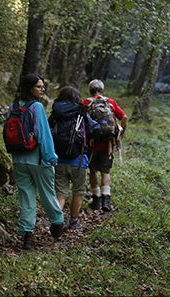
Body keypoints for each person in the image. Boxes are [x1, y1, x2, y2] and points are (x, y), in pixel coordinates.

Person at [7, 74, 69, 250]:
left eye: (43, 86)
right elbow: (44, 135)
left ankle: (27, 236)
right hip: (39, 159)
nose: (43, 89)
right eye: (39, 86)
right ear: (30, 88)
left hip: (19, 159)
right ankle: (57, 224)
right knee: (47, 193)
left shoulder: (11, 107)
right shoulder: (37, 107)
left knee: (25, 197)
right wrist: (52, 158)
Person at [49, 86, 102, 231]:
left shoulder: (55, 112)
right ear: (77, 98)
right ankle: (73, 223)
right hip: (78, 159)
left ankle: (57, 222)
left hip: (57, 159)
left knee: (61, 192)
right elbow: (95, 130)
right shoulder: (81, 112)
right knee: (78, 192)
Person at [82, 79, 128, 212]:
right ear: (102, 90)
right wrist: (121, 135)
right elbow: (124, 118)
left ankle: (96, 200)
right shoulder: (110, 102)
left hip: (91, 144)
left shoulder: (86, 103)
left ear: (90, 91)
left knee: (93, 171)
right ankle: (106, 200)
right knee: (105, 171)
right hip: (108, 144)